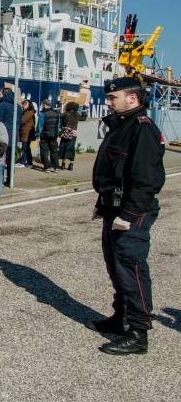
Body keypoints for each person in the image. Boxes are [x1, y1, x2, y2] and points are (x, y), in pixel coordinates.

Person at [89, 77, 165, 355]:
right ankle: (120, 318)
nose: (108, 102)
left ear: (132, 98)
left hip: (131, 211)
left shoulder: (142, 130)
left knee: (130, 267)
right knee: (115, 265)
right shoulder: (120, 126)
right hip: (113, 207)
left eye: (113, 98)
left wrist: (129, 214)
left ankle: (138, 332)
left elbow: (147, 179)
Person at [0, 88, 21, 181]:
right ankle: (10, 179)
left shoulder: (2, 105)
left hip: (3, 135)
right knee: (11, 159)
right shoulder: (18, 107)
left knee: (0, 158)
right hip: (14, 136)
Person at [36, 99, 61, 172]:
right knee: (54, 151)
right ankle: (56, 167)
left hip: (44, 135)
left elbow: (40, 126)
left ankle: (47, 167)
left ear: (44, 104)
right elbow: (58, 125)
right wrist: (57, 134)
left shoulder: (42, 114)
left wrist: (38, 135)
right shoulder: (56, 113)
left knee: (44, 151)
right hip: (54, 135)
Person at [58, 102, 80, 171]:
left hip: (65, 133)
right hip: (73, 134)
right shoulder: (77, 115)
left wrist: (61, 106)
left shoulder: (65, 114)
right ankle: (71, 165)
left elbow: (59, 116)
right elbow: (84, 117)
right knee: (71, 149)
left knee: (63, 147)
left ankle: (63, 164)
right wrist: (85, 107)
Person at [18, 99, 37, 168]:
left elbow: (22, 121)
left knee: (25, 148)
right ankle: (29, 162)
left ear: (29, 105)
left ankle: (23, 162)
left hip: (27, 133)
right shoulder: (26, 112)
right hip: (26, 133)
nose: (24, 105)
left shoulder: (29, 112)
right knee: (27, 148)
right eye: (23, 104)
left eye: (26, 104)